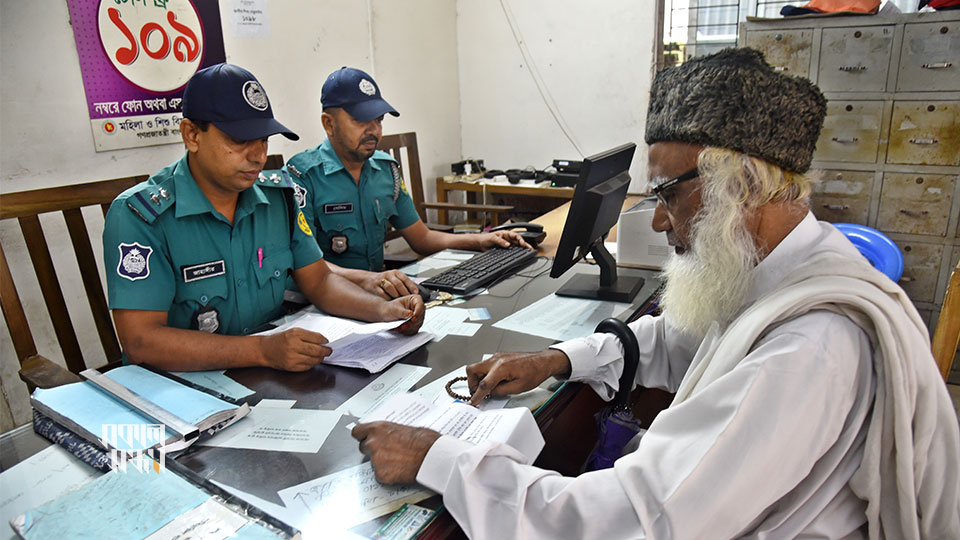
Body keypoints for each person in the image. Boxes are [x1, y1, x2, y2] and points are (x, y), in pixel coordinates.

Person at [352, 48, 960, 539]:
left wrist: (440, 459)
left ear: (741, 183)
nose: (661, 221)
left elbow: (638, 520)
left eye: (668, 193)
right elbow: (684, 337)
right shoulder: (781, 270)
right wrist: (556, 360)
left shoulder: (812, 346)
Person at [103, 63, 424, 373]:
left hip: (270, 378)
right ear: (192, 135)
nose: (257, 155)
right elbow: (141, 341)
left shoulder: (278, 199)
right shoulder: (141, 216)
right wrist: (262, 351)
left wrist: (385, 312)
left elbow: (320, 281)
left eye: (263, 139)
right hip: (183, 390)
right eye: (240, 140)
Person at [286, 67, 531, 300]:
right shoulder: (303, 175)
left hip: (380, 294)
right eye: (361, 120)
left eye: (379, 120)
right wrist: (371, 280)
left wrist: (479, 240)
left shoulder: (386, 170)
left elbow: (422, 239)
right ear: (328, 123)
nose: (374, 130)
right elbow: (306, 265)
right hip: (323, 303)